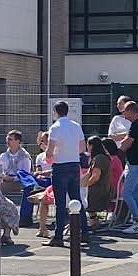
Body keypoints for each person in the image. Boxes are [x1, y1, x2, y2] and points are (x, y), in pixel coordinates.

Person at [46, 100, 91, 246]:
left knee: (60, 203)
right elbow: (82, 147)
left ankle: (58, 236)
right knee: (76, 199)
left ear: (56, 112)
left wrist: (50, 156)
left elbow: (50, 151)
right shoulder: (76, 126)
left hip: (60, 166)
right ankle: (84, 232)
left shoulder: (55, 127)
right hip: (74, 164)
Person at [118, 101, 138, 234]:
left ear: (131, 111)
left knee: (127, 192)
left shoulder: (136, 126)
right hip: (137, 162)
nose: (123, 114)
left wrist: (120, 145)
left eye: (125, 111)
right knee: (136, 192)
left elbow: (126, 143)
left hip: (136, 163)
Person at [0, 130, 34, 227]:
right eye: (7, 139)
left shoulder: (25, 156)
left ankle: (25, 218)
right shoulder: (4, 156)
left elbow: (26, 173)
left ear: (18, 141)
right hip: (5, 180)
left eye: (10, 139)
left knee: (29, 188)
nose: (7, 141)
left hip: (19, 181)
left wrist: (13, 179)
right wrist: (4, 176)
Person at [85, 136, 113, 227]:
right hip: (101, 189)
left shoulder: (99, 159)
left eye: (88, 145)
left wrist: (84, 186)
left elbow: (95, 177)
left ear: (92, 146)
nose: (87, 147)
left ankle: (87, 221)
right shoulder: (102, 157)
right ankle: (93, 220)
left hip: (99, 191)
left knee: (77, 195)